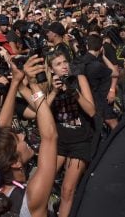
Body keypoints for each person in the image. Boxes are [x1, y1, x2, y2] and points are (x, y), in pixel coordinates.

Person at [0, 55, 58, 217]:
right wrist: (33, 85)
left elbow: (2, 130)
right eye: (18, 139)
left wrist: (16, 82)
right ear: (15, 163)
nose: (23, 135)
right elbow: (49, 136)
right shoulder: (31, 199)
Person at [47, 50, 95, 217]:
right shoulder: (49, 83)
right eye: (58, 64)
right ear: (52, 69)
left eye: (65, 61)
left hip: (80, 140)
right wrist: (53, 91)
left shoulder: (79, 79)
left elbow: (91, 111)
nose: (64, 66)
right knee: (44, 181)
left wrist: (74, 92)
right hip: (59, 141)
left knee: (67, 190)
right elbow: (41, 112)